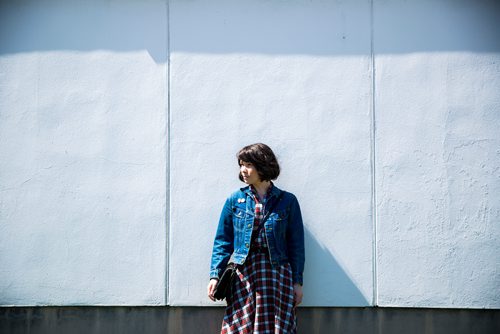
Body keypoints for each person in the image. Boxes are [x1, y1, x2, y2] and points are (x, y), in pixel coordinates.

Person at [207, 143, 305, 333]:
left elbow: (296, 246)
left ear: (263, 165)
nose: (243, 170)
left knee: (276, 326)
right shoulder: (235, 200)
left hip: (277, 274)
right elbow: (223, 242)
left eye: (248, 165)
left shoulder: (288, 201)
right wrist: (214, 276)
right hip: (244, 273)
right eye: (241, 165)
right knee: (241, 325)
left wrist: (297, 283)